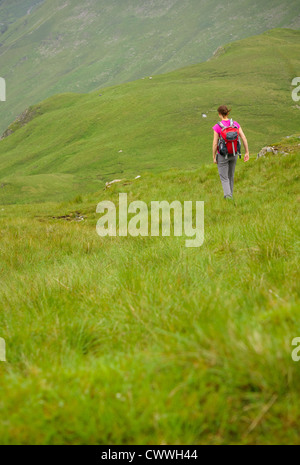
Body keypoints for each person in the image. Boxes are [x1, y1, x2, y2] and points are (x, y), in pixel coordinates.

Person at [212, 105, 249, 199]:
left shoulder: (217, 126)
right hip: (234, 153)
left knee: (224, 177)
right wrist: (247, 152)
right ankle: (230, 195)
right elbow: (244, 138)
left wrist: (214, 156)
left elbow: (215, 143)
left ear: (219, 114)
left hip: (222, 155)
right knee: (230, 176)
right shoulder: (235, 124)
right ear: (228, 113)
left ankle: (228, 197)